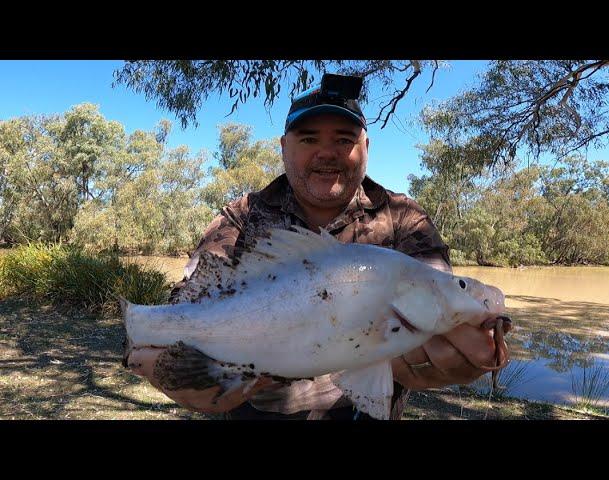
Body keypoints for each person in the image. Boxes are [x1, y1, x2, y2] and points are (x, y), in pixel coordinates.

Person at [126, 73, 509, 420]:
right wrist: (161, 362)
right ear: (283, 147)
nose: (326, 153)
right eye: (309, 139)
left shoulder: (404, 218)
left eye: (344, 140)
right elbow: (187, 307)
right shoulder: (240, 218)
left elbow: (438, 290)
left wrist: (465, 348)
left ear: (367, 147)